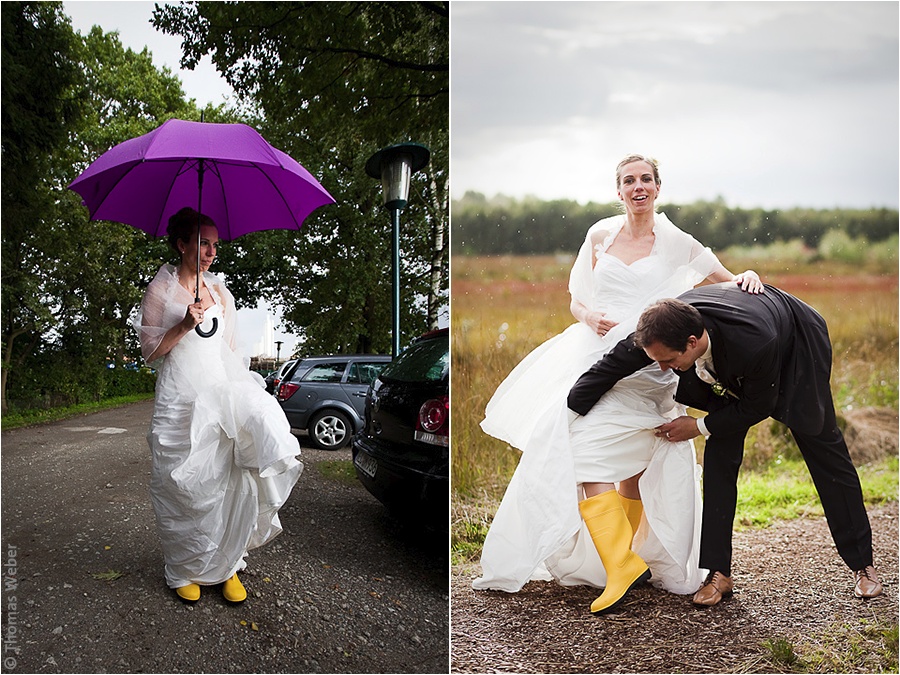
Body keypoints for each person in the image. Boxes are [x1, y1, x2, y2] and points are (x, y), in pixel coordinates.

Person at [473, 154, 762, 615]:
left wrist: (746, 276)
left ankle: (626, 563)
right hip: (597, 359)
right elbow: (576, 299)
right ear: (619, 190)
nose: (638, 187)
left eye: (645, 179)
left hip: (652, 369)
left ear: (657, 187)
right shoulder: (599, 235)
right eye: (629, 181)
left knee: (634, 465)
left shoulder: (677, 241)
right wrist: (589, 315)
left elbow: (726, 281)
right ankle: (619, 562)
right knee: (583, 451)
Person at [568, 285, 883, 606]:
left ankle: (863, 565)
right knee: (719, 457)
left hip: (795, 347)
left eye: (669, 361)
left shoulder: (757, 345)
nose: (662, 369)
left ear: (692, 343)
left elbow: (758, 406)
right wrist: (568, 417)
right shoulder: (661, 331)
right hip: (732, 358)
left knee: (824, 450)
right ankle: (719, 573)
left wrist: (698, 426)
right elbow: (608, 369)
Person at [134, 207, 303, 603]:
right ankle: (183, 569)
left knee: (228, 481)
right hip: (180, 397)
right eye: (202, 242)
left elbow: (229, 352)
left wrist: (241, 396)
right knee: (184, 485)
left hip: (218, 394)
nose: (211, 251)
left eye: (214, 244)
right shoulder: (161, 291)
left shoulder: (221, 293)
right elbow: (150, 352)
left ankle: (227, 565)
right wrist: (182, 326)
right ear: (181, 244)